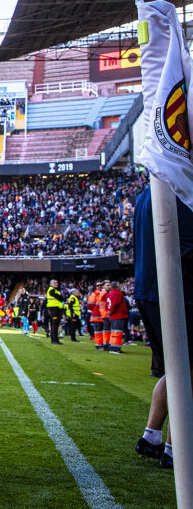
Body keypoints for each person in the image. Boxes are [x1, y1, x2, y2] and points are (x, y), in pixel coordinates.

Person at [132, 186, 193, 470]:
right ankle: (174, 449)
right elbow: (188, 247)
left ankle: (153, 437)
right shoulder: (182, 189)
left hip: (150, 287)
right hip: (180, 290)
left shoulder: (149, 192)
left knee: (176, 369)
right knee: (187, 373)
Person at [104, 281, 129, 354]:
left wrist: (109, 312)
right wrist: (110, 312)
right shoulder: (117, 294)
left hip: (113, 315)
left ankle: (113, 347)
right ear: (117, 286)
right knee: (117, 332)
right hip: (117, 315)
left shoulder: (110, 294)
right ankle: (116, 348)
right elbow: (114, 305)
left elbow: (107, 305)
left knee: (114, 332)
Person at [45, 280, 64, 345]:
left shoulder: (55, 290)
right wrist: (61, 298)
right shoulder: (51, 290)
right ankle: (54, 340)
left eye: (56, 283)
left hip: (56, 308)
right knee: (54, 324)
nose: (56, 284)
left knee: (55, 324)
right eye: (54, 283)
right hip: (53, 309)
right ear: (51, 284)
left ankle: (55, 339)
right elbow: (59, 297)